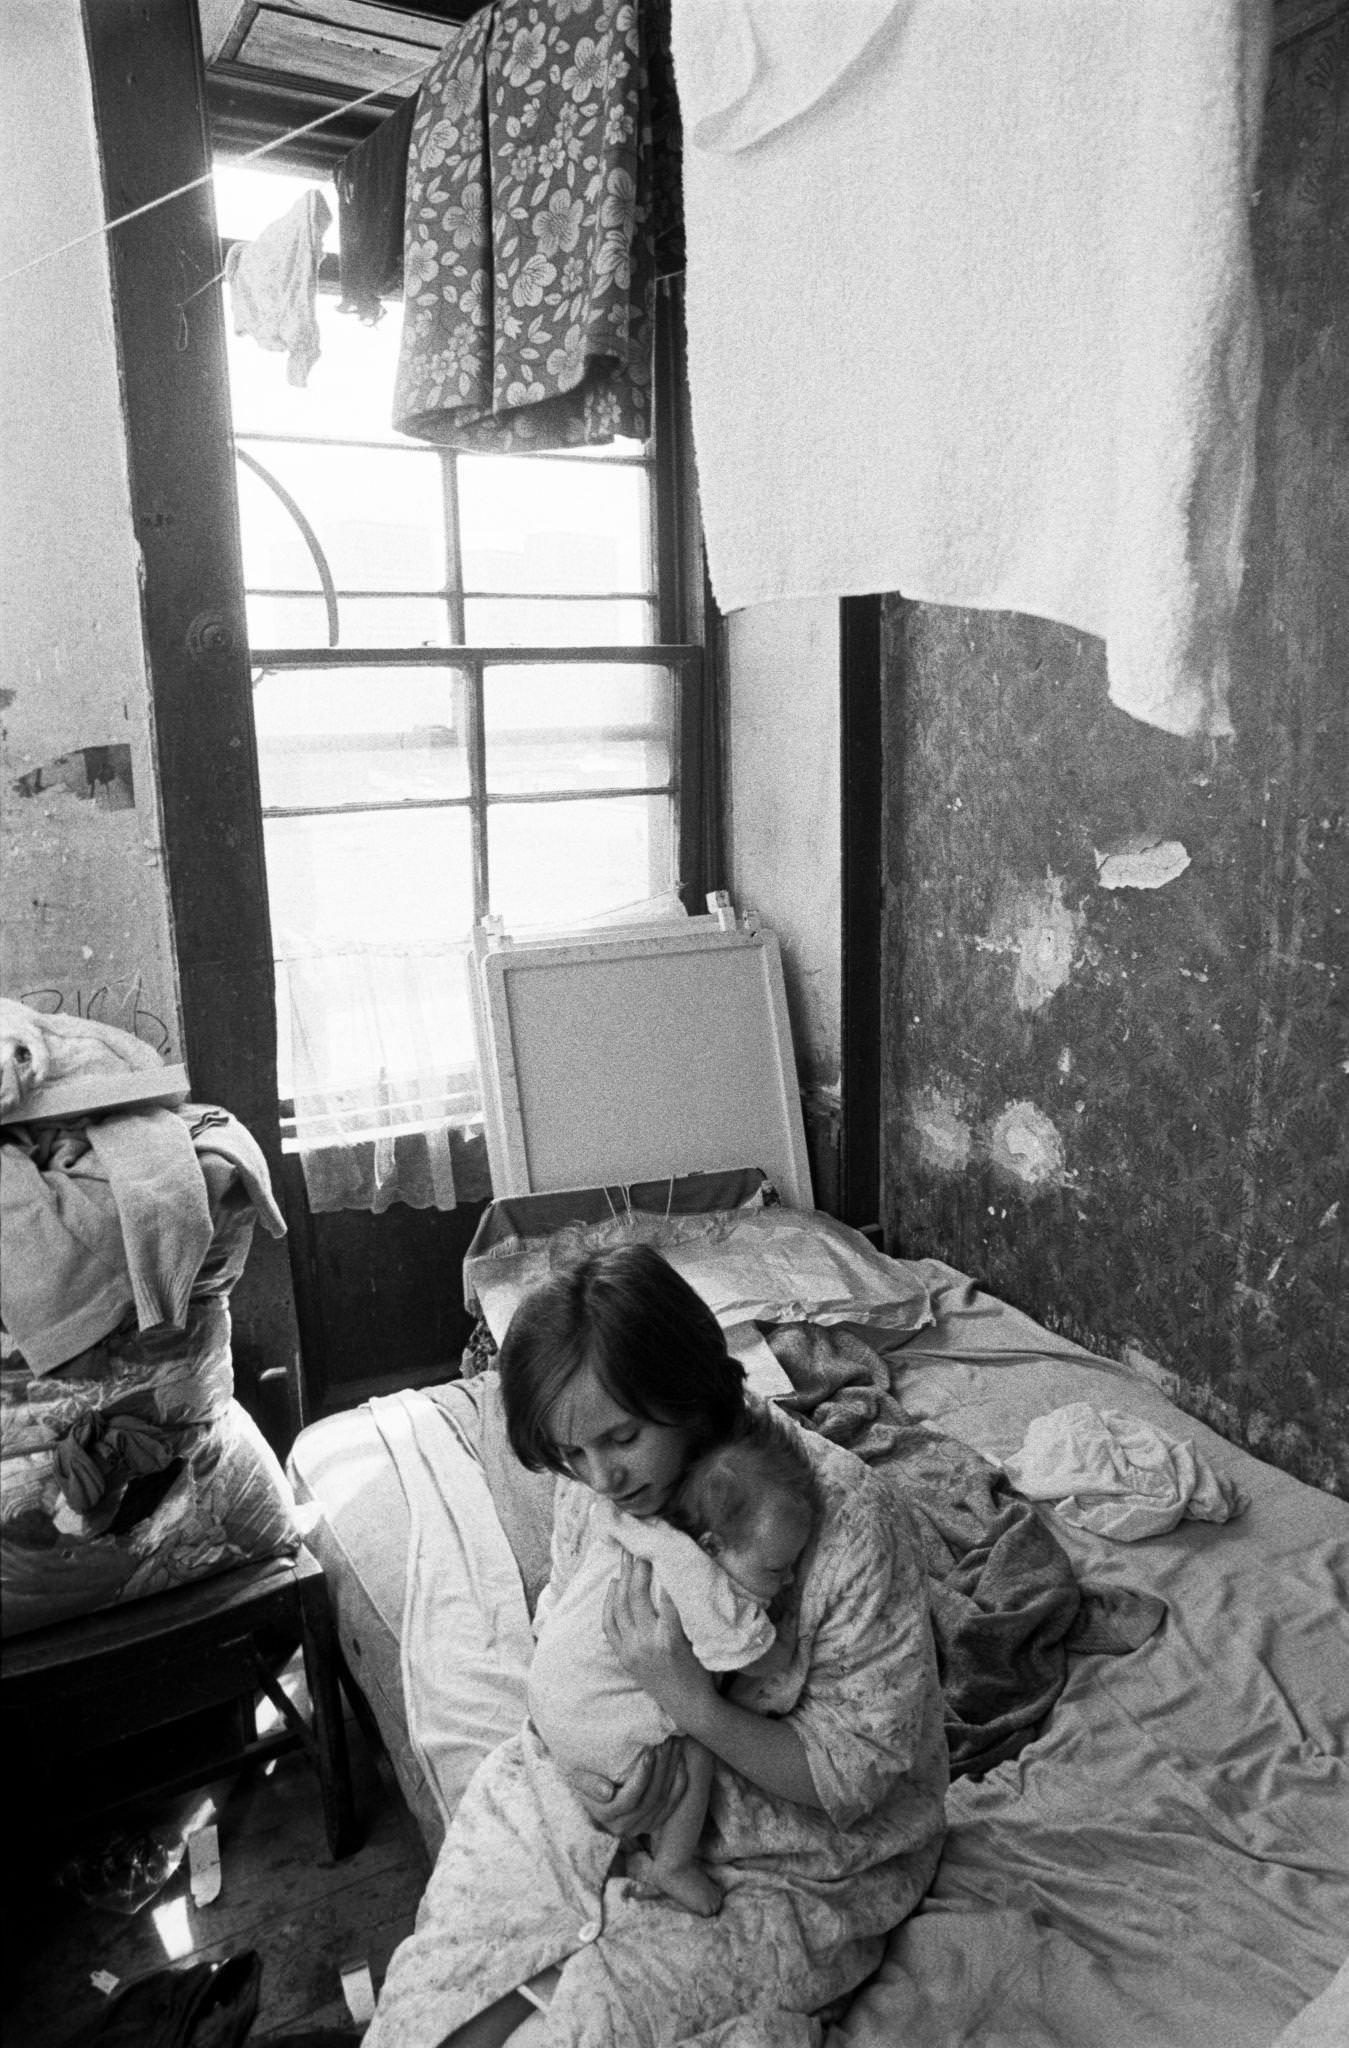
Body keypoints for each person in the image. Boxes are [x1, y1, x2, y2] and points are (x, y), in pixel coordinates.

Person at [364, 1242, 948, 2048]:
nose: (599, 1477)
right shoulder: (601, 1497)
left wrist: (689, 1705)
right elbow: (567, 1647)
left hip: (787, 1855)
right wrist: (588, 1773)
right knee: (434, 2015)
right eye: (572, 1454)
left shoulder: (846, 1522)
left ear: (689, 1390)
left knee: (588, 2027)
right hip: (578, 1791)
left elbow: (855, 1776)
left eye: (622, 1438)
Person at [528, 1399, 819, 1917]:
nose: (790, 1581)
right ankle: (674, 1862)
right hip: (590, 1721)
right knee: (696, 1746)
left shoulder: (632, 1525)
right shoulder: (694, 1573)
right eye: (776, 1570)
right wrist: (787, 1649)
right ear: (713, 1545)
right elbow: (749, 1656)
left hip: (550, 1699)